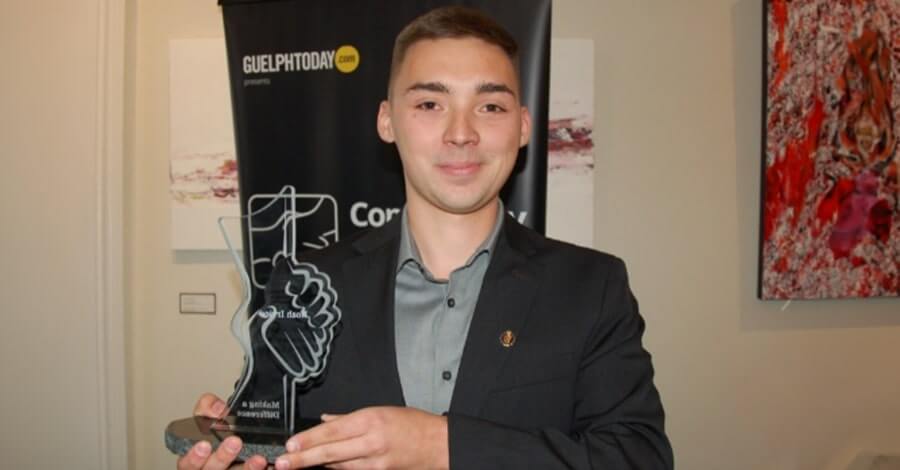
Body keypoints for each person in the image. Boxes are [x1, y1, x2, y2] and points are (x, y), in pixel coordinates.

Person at [178, 6, 673, 470]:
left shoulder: (591, 287)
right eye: (431, 103)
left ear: (522, 127)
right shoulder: (310, 283)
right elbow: (278, 434)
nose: (461, 133)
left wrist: (442, 444)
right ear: (387, 121)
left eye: (490, 106)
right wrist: (237, 451)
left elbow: (637, 456)